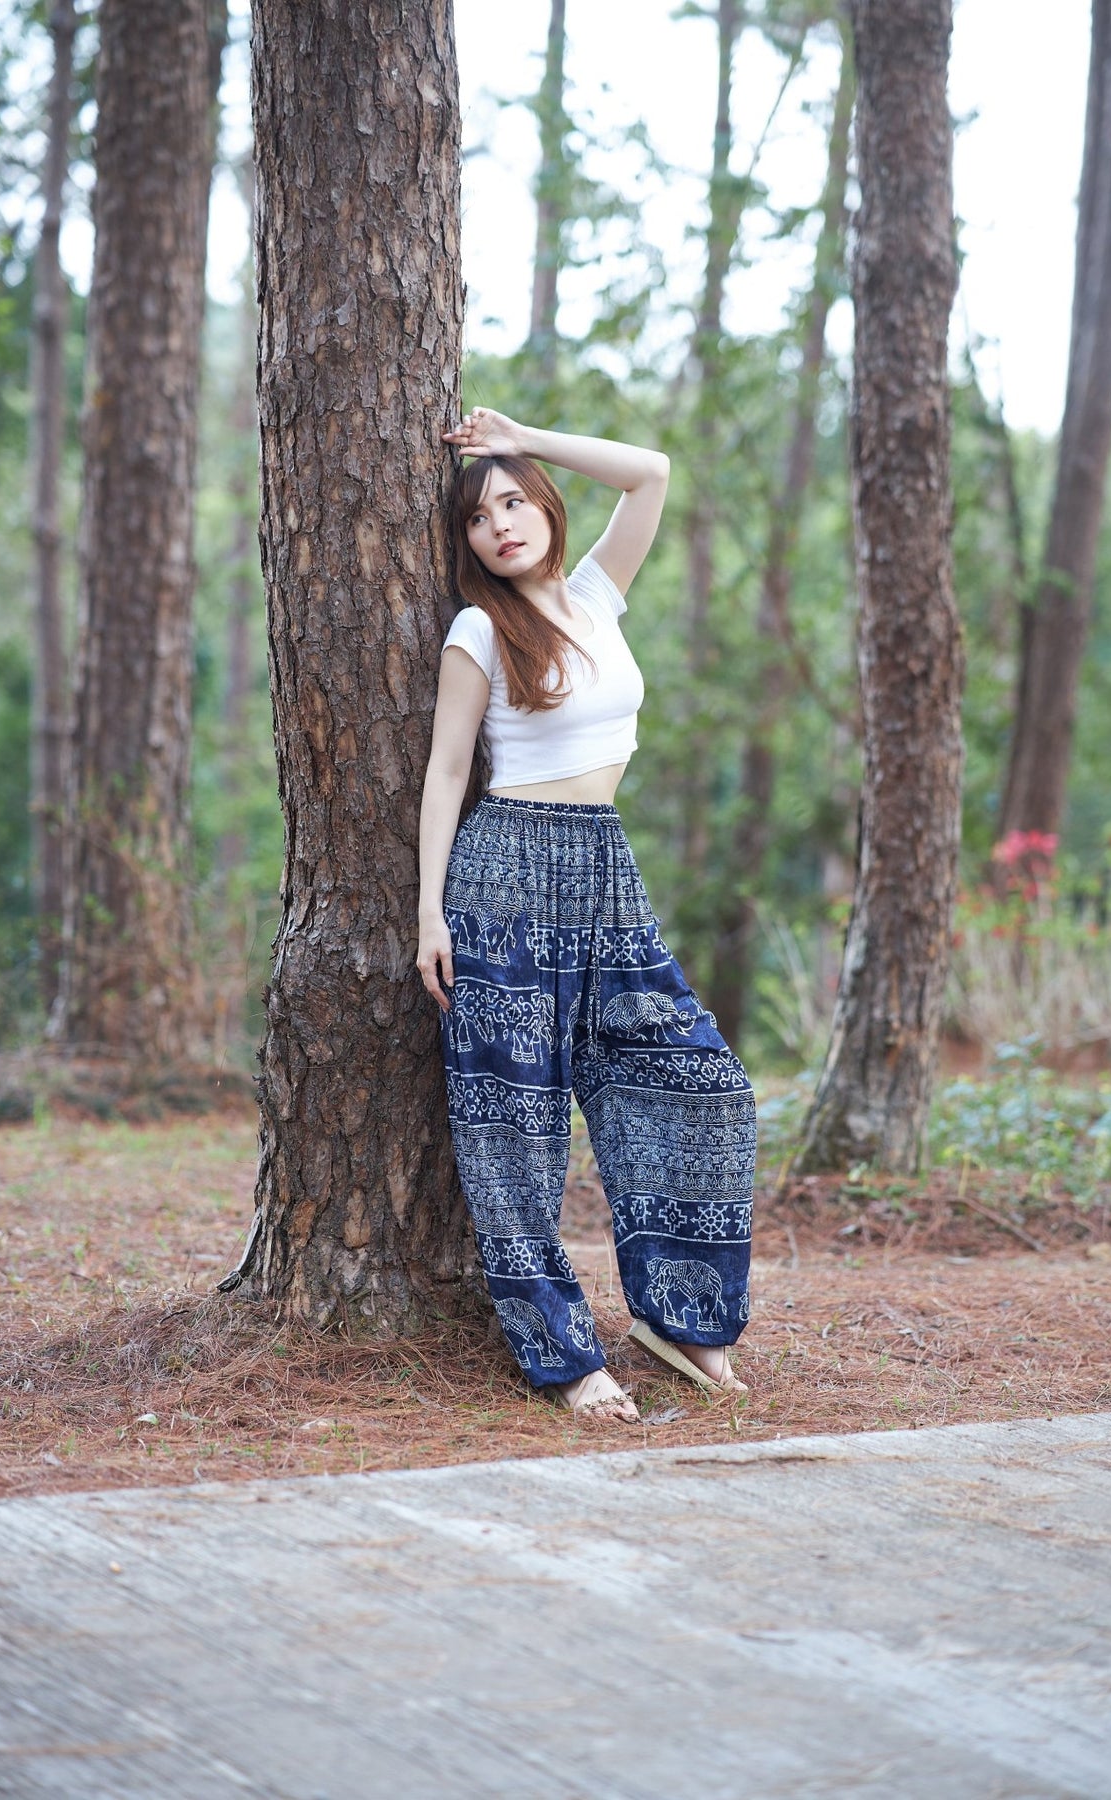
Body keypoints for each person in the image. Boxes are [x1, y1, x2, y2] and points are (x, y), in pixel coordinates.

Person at [417, 408, 756, 1423]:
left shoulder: (598, 596)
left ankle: (681, 1318)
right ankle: (565, 1357)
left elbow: (651, 470)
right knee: (514, 1132)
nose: (500, 527)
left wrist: (521, 435)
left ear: (545, 506)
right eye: (478, 519)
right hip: (504, 876)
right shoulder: (479, 629)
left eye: (512, 503)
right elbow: (445, 771)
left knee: (700, 1083)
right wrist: (429, 912)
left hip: (605, 867)